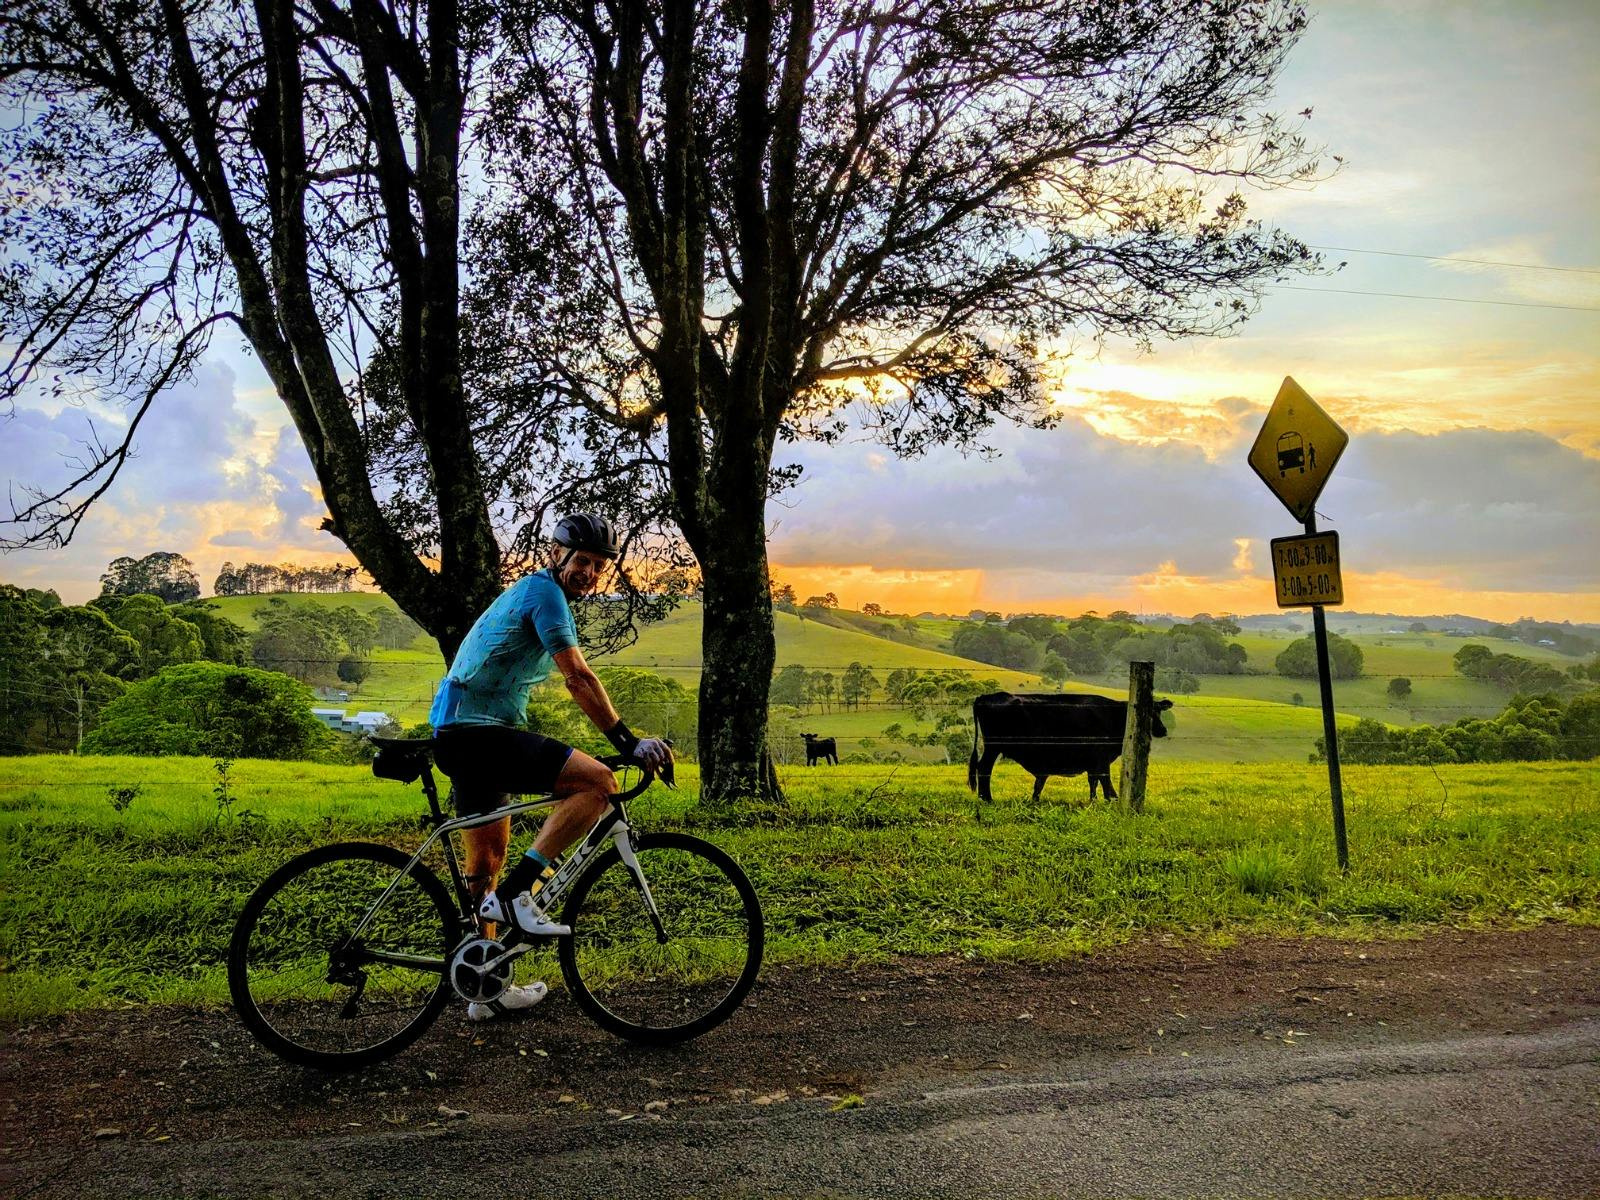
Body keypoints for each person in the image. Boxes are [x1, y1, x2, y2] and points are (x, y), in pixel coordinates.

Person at [427, 513, 672, 1020]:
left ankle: (484, 986)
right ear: (556, 555)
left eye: (599, 567)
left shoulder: (534, 593)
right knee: (599, 783)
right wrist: (627, 743)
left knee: (485, 867)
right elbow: (578, 678)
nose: (590, 573)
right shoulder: (545, 595)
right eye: (583, 561)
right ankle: (522, 898)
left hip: (464, 734)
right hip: (478, 734)